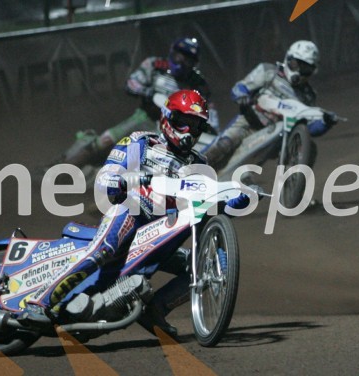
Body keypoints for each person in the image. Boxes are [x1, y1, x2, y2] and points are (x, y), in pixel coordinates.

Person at [20, 90, 246, 338]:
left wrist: (231, 202)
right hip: (132, 211)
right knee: (103, 249)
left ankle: (155, 311)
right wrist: (131, 179)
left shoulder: (199, 164)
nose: (189, 132)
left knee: (199, 266)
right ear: (168, 118)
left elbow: (206, 207)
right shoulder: (142, 142)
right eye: (184, 122)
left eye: (196, 126)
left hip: (163, 232)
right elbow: (105, 178)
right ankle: (39, 302)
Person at [61, 37, 216, 169]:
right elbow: (132, 83)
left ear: (194, 63)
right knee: (105, 140)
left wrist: (213, 127)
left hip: (177, 129)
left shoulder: (198, 83)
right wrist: (148, 92)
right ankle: (66, 168)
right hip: (146, 118)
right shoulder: (155, 65)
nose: (181, 62)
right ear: (172, 53)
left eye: (187, 60)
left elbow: (208, 108)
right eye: (179, 56)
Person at [203, 40, 336, 168]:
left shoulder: (308, 95)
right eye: (297, 65)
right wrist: (242, 96)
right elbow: (240, 87)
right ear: (289, 59)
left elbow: (309, 127)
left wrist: (325, 122)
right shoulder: (269, 71)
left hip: (277, 138)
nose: (300, 71)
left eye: (306, 69)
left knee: (310, 149)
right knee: (224, 144)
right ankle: (190, 168)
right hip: (249, 123)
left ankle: (291, 182)